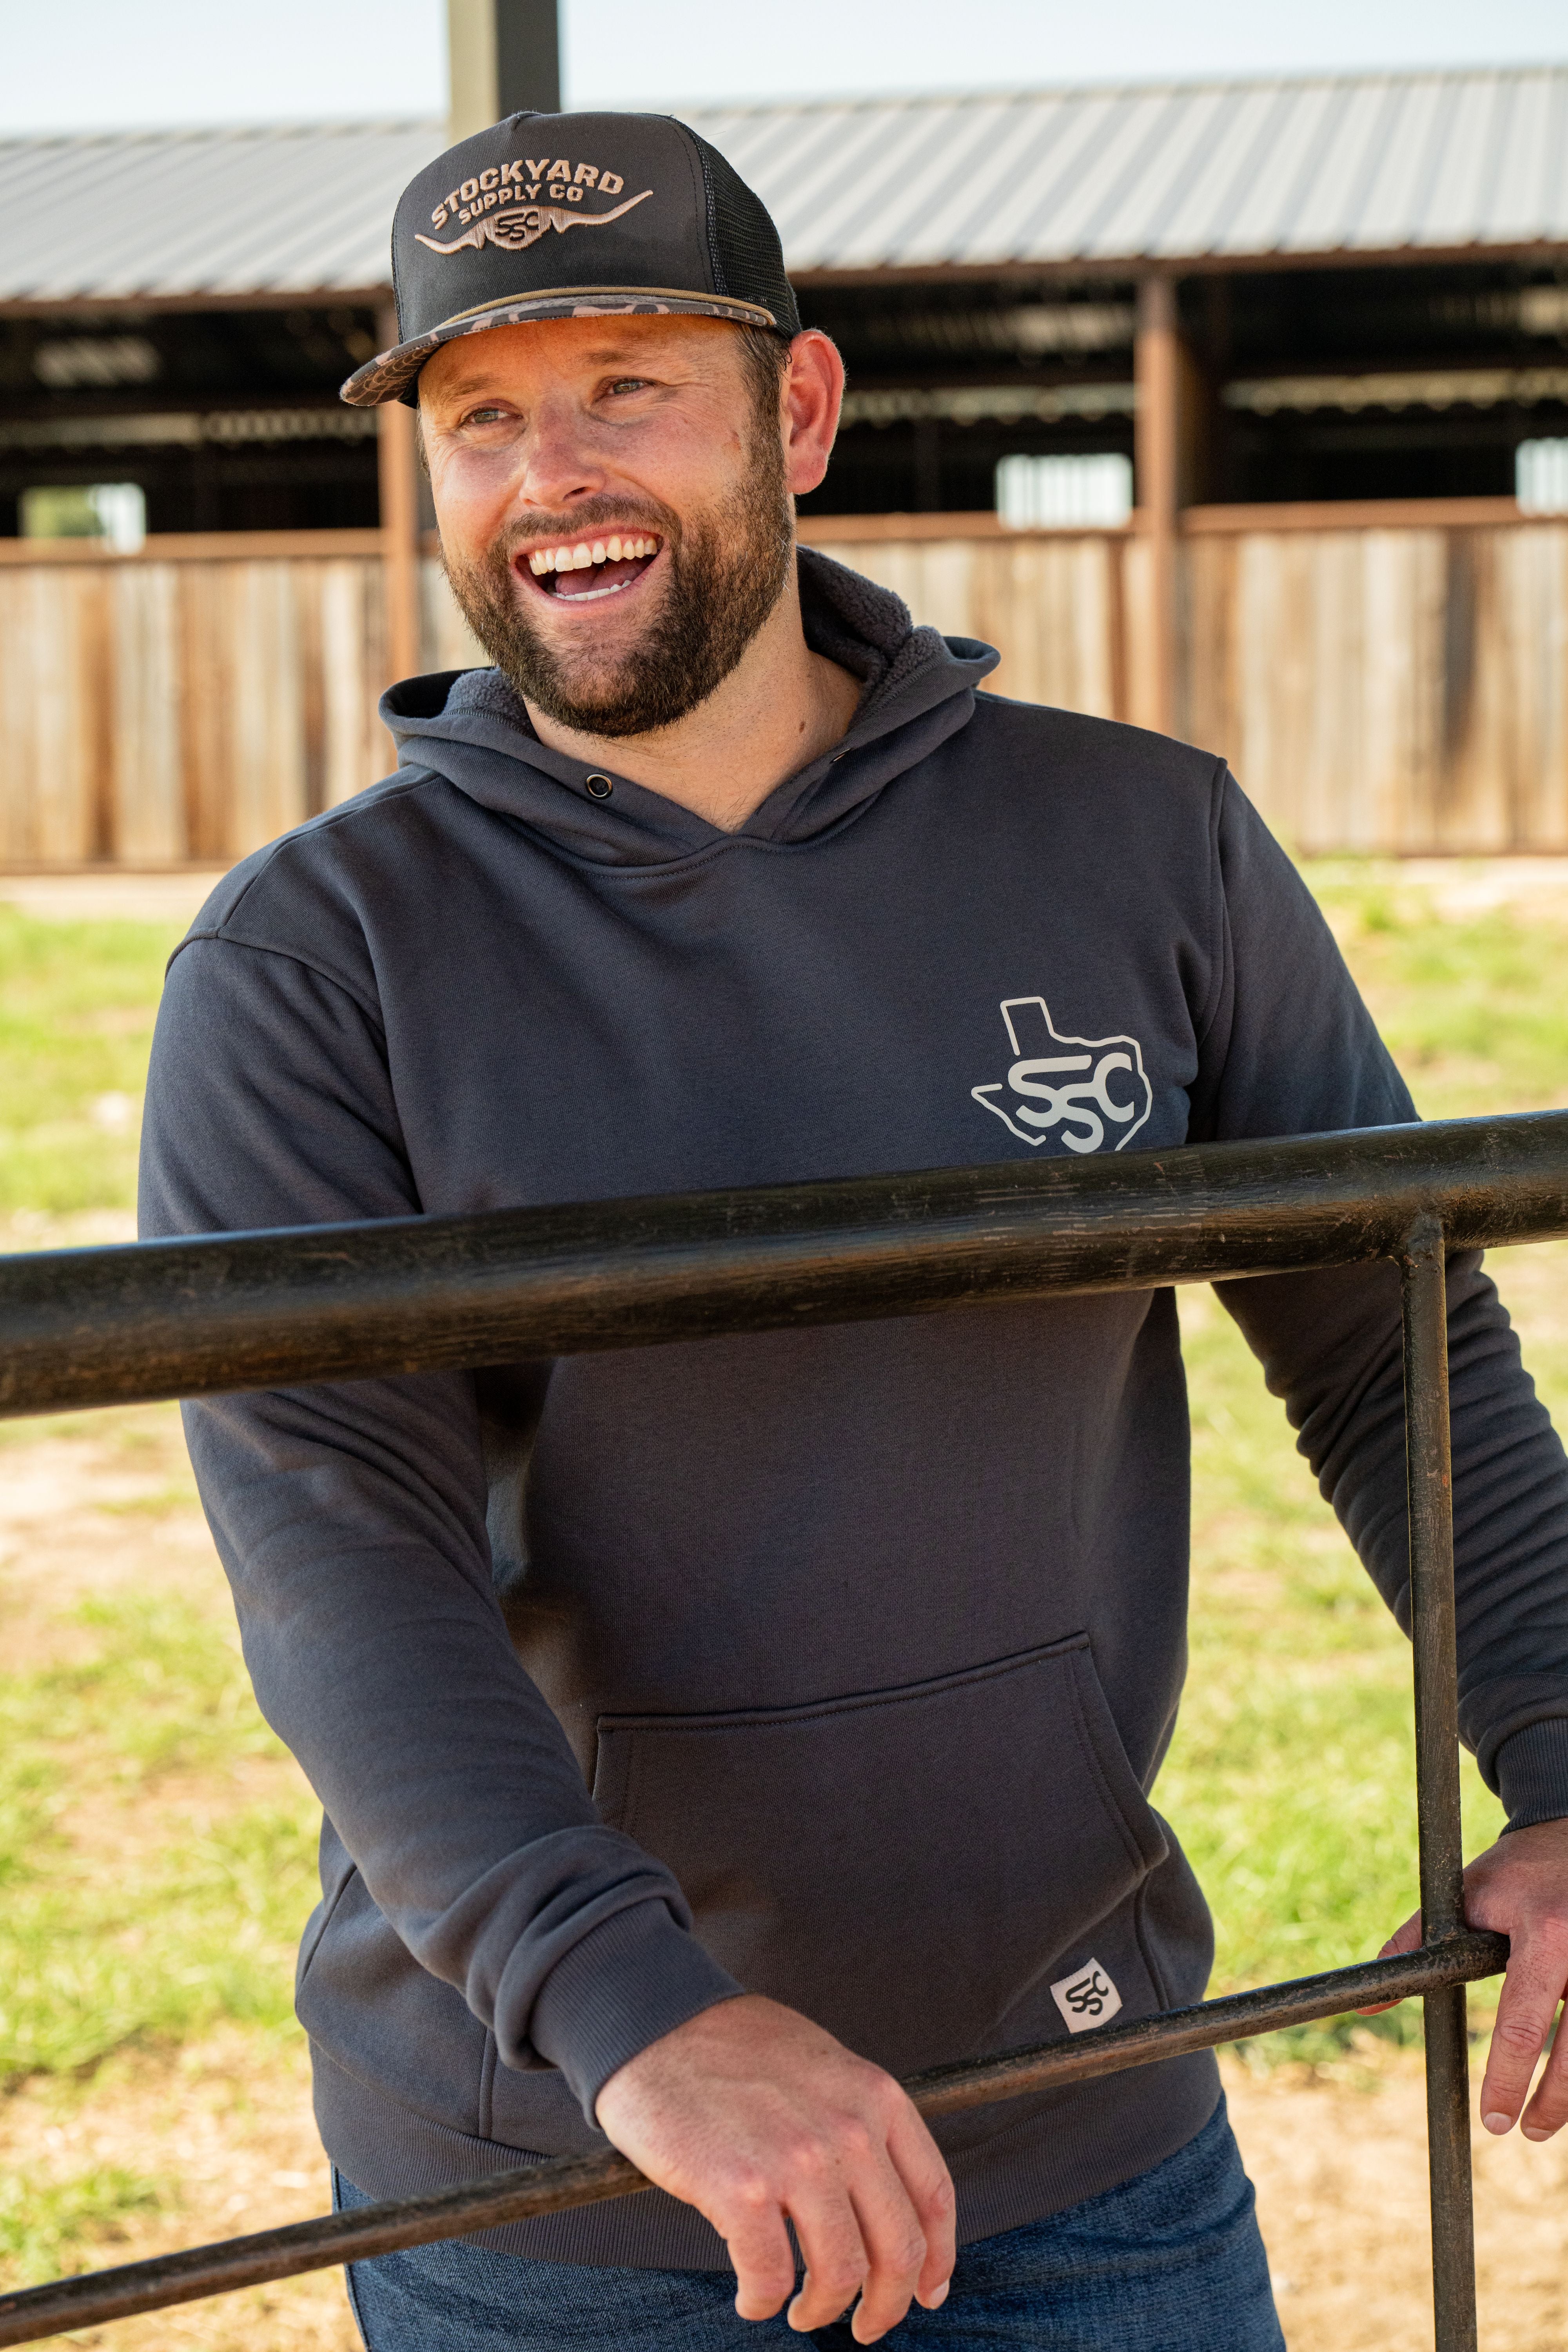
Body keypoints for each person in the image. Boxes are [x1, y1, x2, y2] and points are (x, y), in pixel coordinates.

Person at [138, 109, 1568, 2352]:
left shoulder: (1149, 843)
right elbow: (338, 1551)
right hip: (577, 2191)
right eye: (483, 417)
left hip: (1085, 2110)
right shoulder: (314, 960)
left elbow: (1395, 1342)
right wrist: (642, 2021)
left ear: (798, 410)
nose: (553, 479)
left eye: (631, 391)